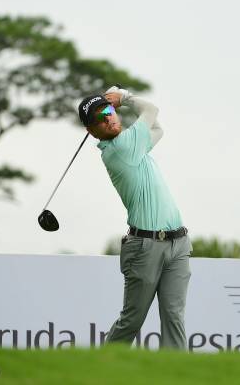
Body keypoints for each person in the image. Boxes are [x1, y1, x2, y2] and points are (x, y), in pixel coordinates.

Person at [77, 86, 192, 350]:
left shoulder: (131, 145)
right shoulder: (121, 149)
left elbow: (158, 129)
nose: (107, 118)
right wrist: (124, 97)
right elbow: (151, 111)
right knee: (132, 320)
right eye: (98, 119)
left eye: (107, 110)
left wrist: (120, 102)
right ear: (91, 131)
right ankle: (102, 371)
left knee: (174, 317)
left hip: (179, 243)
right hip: (145, 247)